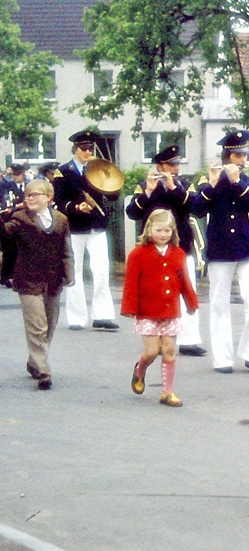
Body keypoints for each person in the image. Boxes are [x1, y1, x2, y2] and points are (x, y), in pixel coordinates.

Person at [191, 130, 249, 374]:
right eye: (237, 155)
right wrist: (213, 184)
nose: (242, 159)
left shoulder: (248, 181)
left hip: (247, 245)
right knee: (219, 303)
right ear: (227, 156)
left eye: (244, 154)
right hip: (220, 246)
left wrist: (236, 182)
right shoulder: (207, 179)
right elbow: (197, 208)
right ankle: (222, 358)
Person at [126, 144, 206, 357]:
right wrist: (148, 192)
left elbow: (195, 207)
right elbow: (132, 212)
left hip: (181, 246)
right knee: (156, 290)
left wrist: (174, 188)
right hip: (153, 248)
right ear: (160, 165)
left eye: (177, 164)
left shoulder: (184, 185)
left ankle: (189, 339)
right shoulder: (145, 185)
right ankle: (160, 336)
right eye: (171, 165)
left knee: (187, 288)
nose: (175, 168)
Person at [0, 179, 73, 390]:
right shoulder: (20, 218)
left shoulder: (61, 220)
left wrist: (68, 275)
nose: (30, 198)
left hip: (53, 280)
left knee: (49, 325)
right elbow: (6, 233)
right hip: (28, 280)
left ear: (49, 198)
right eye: (28, 195)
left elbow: (66, 250)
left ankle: (34, 361)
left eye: (35, 195)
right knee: (37, 326)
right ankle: (44, 371)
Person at [122, 209, 199, 407]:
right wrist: (129, 307)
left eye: (167, 231)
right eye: (159, 230)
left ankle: (167, 392)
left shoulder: (179, 253)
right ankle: (140, 369)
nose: (163, 234)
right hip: (147, 312)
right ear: (149, 230)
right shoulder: (138, 254)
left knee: (169, 350)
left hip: (170, 311)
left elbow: (185, 281)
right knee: (151, 351)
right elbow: (130, 283)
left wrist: (191, 302)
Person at [53, 129, 119, 331]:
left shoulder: (98, 168)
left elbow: (114, 196)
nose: (88, 152)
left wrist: (111, 179)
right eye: (84, 148)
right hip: (75, 227)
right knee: (76, 271)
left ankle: (103, 315)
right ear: (75, 149)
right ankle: (76, 317)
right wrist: (75, 207)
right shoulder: (63, 172)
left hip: (97, 226)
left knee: (101, 270)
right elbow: (59, 200)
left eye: (91, 148)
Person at [0, 163, 29, 287]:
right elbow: (4, 201)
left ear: (23, 174)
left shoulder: (29, 185)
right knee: (10, 249)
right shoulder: (6, 185)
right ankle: (6, 276)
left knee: (25, 248)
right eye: (14, 174)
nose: (16, 177)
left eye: (18, 174)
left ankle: (23, 274)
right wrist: (14, 207)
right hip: (12, 219)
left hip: (27, 219)